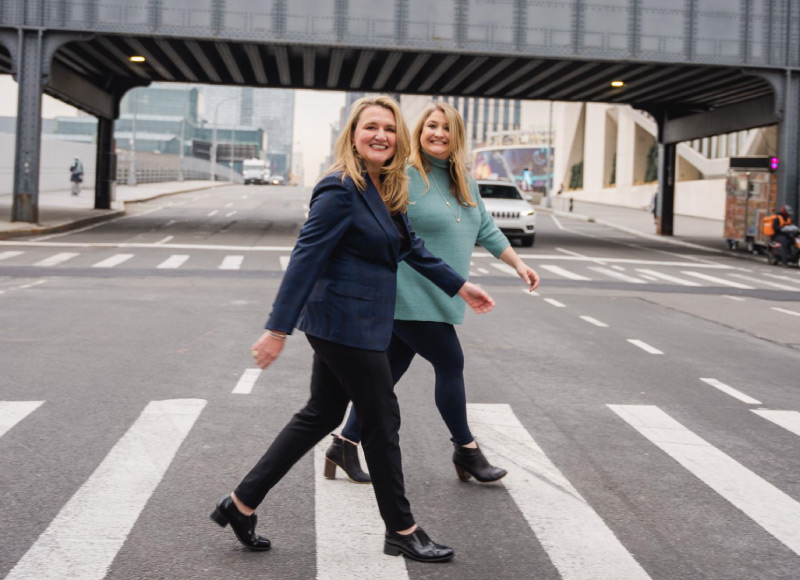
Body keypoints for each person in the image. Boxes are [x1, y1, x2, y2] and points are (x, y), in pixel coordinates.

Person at [209, 96, 496, 563]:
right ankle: (402, 529)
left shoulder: (384, 186)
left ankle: (240, 505)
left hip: (359, 321)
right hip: (344, 325)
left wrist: (460, 286)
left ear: (397, 138)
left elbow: (412, 249)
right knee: (383, 420)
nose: (380, 134)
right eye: (371, 127)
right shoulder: (339, 188)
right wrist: (277, 329)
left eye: (389, 128)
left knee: (321, 414)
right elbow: (306, 258)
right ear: (353, 134)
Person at [325, 101, 539, 487]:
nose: (438, 133)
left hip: (443, 292)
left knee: (389, 372)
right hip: (409, 289)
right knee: (450, 361)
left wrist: (518, 264)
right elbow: (380, 229)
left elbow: (485, 229)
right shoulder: (402, 175)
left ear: (457, 136)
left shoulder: (464, 180)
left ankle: (344, 442)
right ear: (419, 132)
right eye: (431, 126)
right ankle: (467, 449)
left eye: (447, 128)